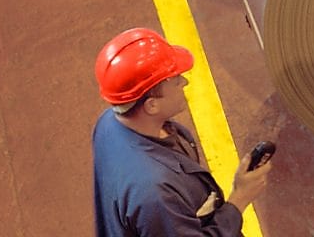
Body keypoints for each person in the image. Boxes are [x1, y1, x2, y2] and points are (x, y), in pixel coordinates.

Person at [92, 28, 272, 236]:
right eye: (176, 81)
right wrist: (239, 198)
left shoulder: (108, 124)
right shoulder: (156, 193)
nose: (184, 83)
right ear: (152, 106)